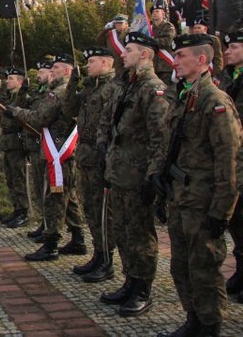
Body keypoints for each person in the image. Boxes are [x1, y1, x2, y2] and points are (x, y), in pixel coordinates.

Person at [156, 34, 240, 337]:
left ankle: (210, 325)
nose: (174, 62)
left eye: (180, 56)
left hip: (204, 201)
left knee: (204, 267)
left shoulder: (214, 102)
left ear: (201, 60)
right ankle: (193, 318)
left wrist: (222, 211)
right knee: (181, 265)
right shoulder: (184, 96)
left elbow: (229, 160)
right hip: (182, 197)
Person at [97, 32, 169, 317]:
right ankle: (130, 280)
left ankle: (143, 288)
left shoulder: (153, 89)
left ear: (145, 54)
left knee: (140, 235)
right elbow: (108, 118)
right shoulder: (126, 85)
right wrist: (104, 144)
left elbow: (159, 138)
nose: (122, 54)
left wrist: (153, 176)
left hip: (137, 174)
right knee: (123, 230)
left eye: (128, 50)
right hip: (118, 171)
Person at [9, 53, 85, 262]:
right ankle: (78, 239)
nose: (52, 73)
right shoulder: (62, 91)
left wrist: (17, 112)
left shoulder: (59, 92)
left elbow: (40, 117)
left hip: (59, 152)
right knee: (67, 198)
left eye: (56, 70)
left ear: (68, 71)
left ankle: (51, 243)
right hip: (60, 150)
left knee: (56, 197)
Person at [62, 47, 120, 283]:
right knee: (91, 209)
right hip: (86, 153)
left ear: (106, 63)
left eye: (92, 61)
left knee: (104, 211)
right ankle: (98, 253)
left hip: (101, 154)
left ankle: (107, 259)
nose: (88, 65)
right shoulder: (91, 85)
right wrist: (74, 82)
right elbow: (69, 110)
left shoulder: (112, 88)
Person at [0, 67, 30, 228]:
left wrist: (22, 92)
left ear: (20, 81)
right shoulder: (8, 96)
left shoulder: (23, 97)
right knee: (11, 179)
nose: (8, 81)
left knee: (19, 178)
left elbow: (19, 111)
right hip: (7, 140)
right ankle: (16, 209)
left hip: (17, 141)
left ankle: (23, 211)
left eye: (11, 79)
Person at [219, 30, 243, 302]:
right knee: (237, 220)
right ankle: (240, 269)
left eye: (234, 47)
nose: (228, 52)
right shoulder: (229, 77)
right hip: (234, 156)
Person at [21, 59, 54, 241]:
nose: (38, 75)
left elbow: (39, 117)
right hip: (34, 145)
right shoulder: (38, 92)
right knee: (38, 187)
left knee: (46, 189)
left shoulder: (51, 94)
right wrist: (23, 92)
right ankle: (44, 222)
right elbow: (25, 109)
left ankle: (49, 225)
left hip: (47, 145)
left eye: (42, 72)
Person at [150, 1, 177, 85]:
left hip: (165, 65)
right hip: (152, 64)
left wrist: (152, 40)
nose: (154, 13)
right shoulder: (149, 28)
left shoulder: (169, 27)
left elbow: (167, 41)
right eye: (153, 12)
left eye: (157, 11)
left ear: (163, 14)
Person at [190, 11, 223, 77]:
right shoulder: (191, 41)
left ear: (205, 29)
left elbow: (218, 58)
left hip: (210, 71)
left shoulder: (213, 40)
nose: (196, 30)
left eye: (199, 28)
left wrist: (217, 74)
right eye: (195, 28)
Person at [96, 14, 130, 79]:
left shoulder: (131, 32)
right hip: (115, 67)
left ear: (126, 24)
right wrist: (105, 29)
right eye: (116, 23)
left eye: (120, 23)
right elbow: (99, 41)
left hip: (128, 67)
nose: (118, 25)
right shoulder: (110, 34)